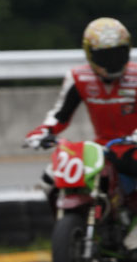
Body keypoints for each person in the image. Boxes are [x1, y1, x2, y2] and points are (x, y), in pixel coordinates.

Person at [24, 17, 137, 246]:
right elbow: (60, 114)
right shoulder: (79, 78)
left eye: (118, 54)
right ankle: (66, 228)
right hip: (103, 147)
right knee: (49, 178)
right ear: (89, 54)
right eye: (105, 56)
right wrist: (42, 132)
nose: (112, 62)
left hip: (133, 145)